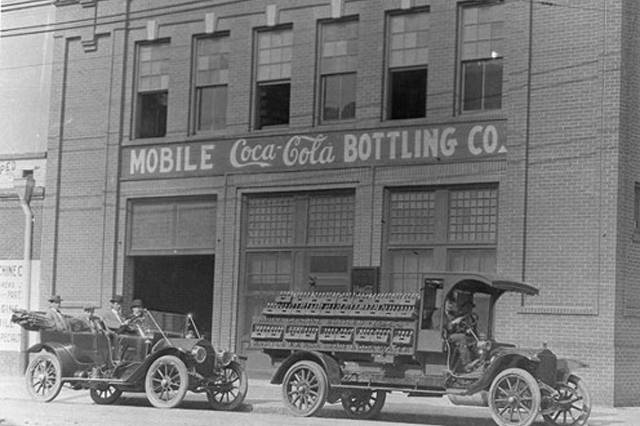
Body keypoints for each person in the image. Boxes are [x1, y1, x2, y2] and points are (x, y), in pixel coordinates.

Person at [444, 292, 476, 373]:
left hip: (453, 336)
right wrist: (453, 323)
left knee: (472, 340)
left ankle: (475, 363)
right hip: (444, 337)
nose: (450, 305)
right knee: (461, 337)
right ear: (444, 303)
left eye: (452, 303)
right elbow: (441, 328)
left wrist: (465, 329)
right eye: (449, 303)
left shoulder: (453, 315)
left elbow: (458, 328)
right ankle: (466, 364)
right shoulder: (439, 314)